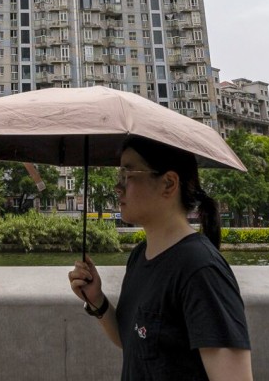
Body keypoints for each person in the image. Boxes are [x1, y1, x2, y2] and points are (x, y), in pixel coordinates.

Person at [68, 140, 252, 380]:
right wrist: (97, 301)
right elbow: (132, 340)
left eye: (127, 174)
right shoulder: (139, 256)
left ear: (168, 183)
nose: (117, 187)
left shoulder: (200, 269)